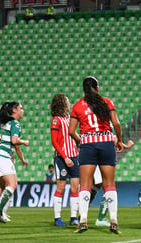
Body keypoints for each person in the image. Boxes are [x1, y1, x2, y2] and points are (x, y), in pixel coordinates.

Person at [69, 76, 124, 234]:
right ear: (97, 88)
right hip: (106, 142)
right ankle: (113, 221)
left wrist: (81, 141)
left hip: (88, 144)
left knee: (85, 184)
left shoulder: (78, 106)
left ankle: (83, 220)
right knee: (109, 184)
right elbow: (116, 123)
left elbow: (71, 131)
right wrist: (119, 140)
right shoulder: (106, 102)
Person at [0, 102, 29, 223]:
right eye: (21, 108)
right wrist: (23, 142)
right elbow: (14, 140)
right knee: (12, 185)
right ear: (14, 110)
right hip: (3, 156)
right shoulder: (15, 124)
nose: (22, 111)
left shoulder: (3, 122)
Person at [50, 93, 80, 227]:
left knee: (75, 187)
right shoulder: (56, 120)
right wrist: (65, 157)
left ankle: (74, 217)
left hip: (74, 156)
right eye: (67, 101)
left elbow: (74, 136)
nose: (69, 104)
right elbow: (54, 142)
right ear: (63, 103)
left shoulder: (70, 119)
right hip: (61, 158)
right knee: (60, 187)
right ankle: (57, 218)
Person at [91, 139, 133, 227]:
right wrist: (124, 145)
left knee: (95, 186)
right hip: (100, 159)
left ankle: (80, 215)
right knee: (108, 188)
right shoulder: (106, 126)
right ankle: (100, 219)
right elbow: (113, 139)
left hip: (93, 156)